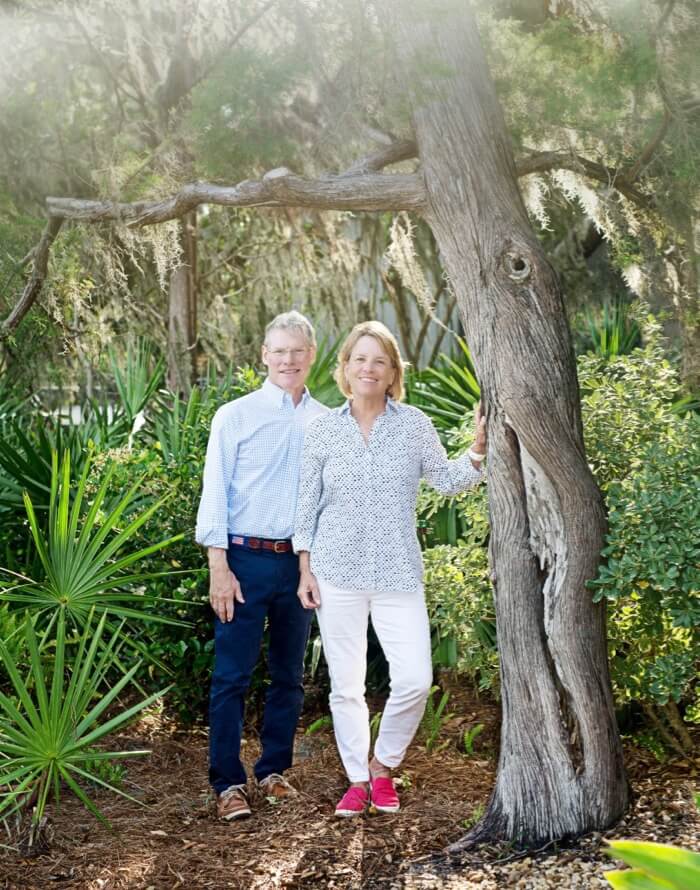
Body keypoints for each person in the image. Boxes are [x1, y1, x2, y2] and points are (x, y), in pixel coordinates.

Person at [293, 320, 486, 818]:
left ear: (393, 371)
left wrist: (479, 452)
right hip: (336, 572)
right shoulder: (323, 430)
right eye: (359, 358)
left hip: (399, 572)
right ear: (345, 368)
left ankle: (384, 763)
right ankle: (359, 779)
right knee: (346, 686)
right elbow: (305, 506)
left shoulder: (414, 424)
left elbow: (445, 481)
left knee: (416, 679)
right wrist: (305, 569)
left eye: (379, 360)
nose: (368, 368)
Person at [195, 310, 328, 821]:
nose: (288, 360)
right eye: (279, 350)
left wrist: (312, 565)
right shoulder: (235, 415)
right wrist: (218, 566)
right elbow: (215, 494)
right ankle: (227, 783)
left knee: (289, 676)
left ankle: (273, 771)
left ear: (311, 356)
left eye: (298, 351)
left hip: (298, 564)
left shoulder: (325, 422)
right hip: (243, 562)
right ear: (264, 356)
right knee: (231, 676)